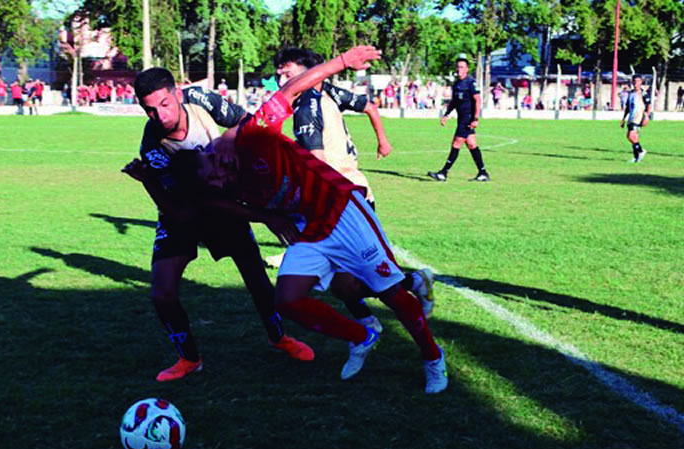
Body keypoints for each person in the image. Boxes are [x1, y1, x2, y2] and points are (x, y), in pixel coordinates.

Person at [126, 46, 448, 393]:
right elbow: (215, 204)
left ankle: (433, 358)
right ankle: (363, 334)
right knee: (289, 299)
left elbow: (290, 90)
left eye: (214, 168)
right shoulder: (220, 182)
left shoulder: (253, 134)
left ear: (217, 154)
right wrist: (267, 218)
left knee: (389, 291)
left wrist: (342, 62)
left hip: (341, 210)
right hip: (307, 227)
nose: (218, 178)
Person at [120, 66, 314, 382]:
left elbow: (247, 123)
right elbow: (184, 212)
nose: (160, 115)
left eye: (165, 104)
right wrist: (146, 181)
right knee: (162, 293)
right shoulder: (153, 148)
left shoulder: (201, 100)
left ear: (178, 94)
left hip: (225, 202)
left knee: (257, 280)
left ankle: (278, 337)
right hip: (184, 208)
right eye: (150, 110)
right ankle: (189, 359)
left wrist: (236, 154)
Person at [272, 47, 435, 332]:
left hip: (344, 203)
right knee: (343, 280)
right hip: (348, 196)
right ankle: (369, 324)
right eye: (278, 71)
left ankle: (413, 301)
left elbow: (317, 165)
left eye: (286, 70)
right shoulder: (325, 94)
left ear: (308, 71)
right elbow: (369, 107)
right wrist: (382, 141)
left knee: (370, 278)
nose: (279, 75)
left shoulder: (307, 104)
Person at [427, 54, 490, 182]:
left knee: (456, 143)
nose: (459, 70)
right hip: (461, 118)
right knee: (472, 145)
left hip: (467, 119)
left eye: (462, 67)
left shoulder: (471, 83)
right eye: (458, 67)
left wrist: (476, 118)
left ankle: (443, 173)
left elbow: (478, 100)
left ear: (467, 69)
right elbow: (454, 102)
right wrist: (446, 114)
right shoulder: (456, 84)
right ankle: (483, 173)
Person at [620, 74, 650, 163]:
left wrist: (647, 116)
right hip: (631, 117)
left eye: (637, 81)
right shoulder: (631, 93)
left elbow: (649, 105)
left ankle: (640, 151)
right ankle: (637, 157)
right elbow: (627, 107)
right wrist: (623, 119)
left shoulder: (643, 93)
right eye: (634, 81)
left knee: (630, 136)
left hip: (638, 118)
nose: (635, 83)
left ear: (641, 82)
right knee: (634, 138)